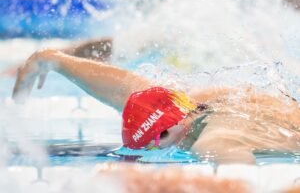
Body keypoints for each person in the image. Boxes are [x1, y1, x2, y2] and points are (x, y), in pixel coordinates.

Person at [12, 38, 300, 164]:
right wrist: (53, 60)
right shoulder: (191, 103)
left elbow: (239, 181)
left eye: (150, 145)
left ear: (163, 134)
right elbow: (124, 90)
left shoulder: (213, 142)